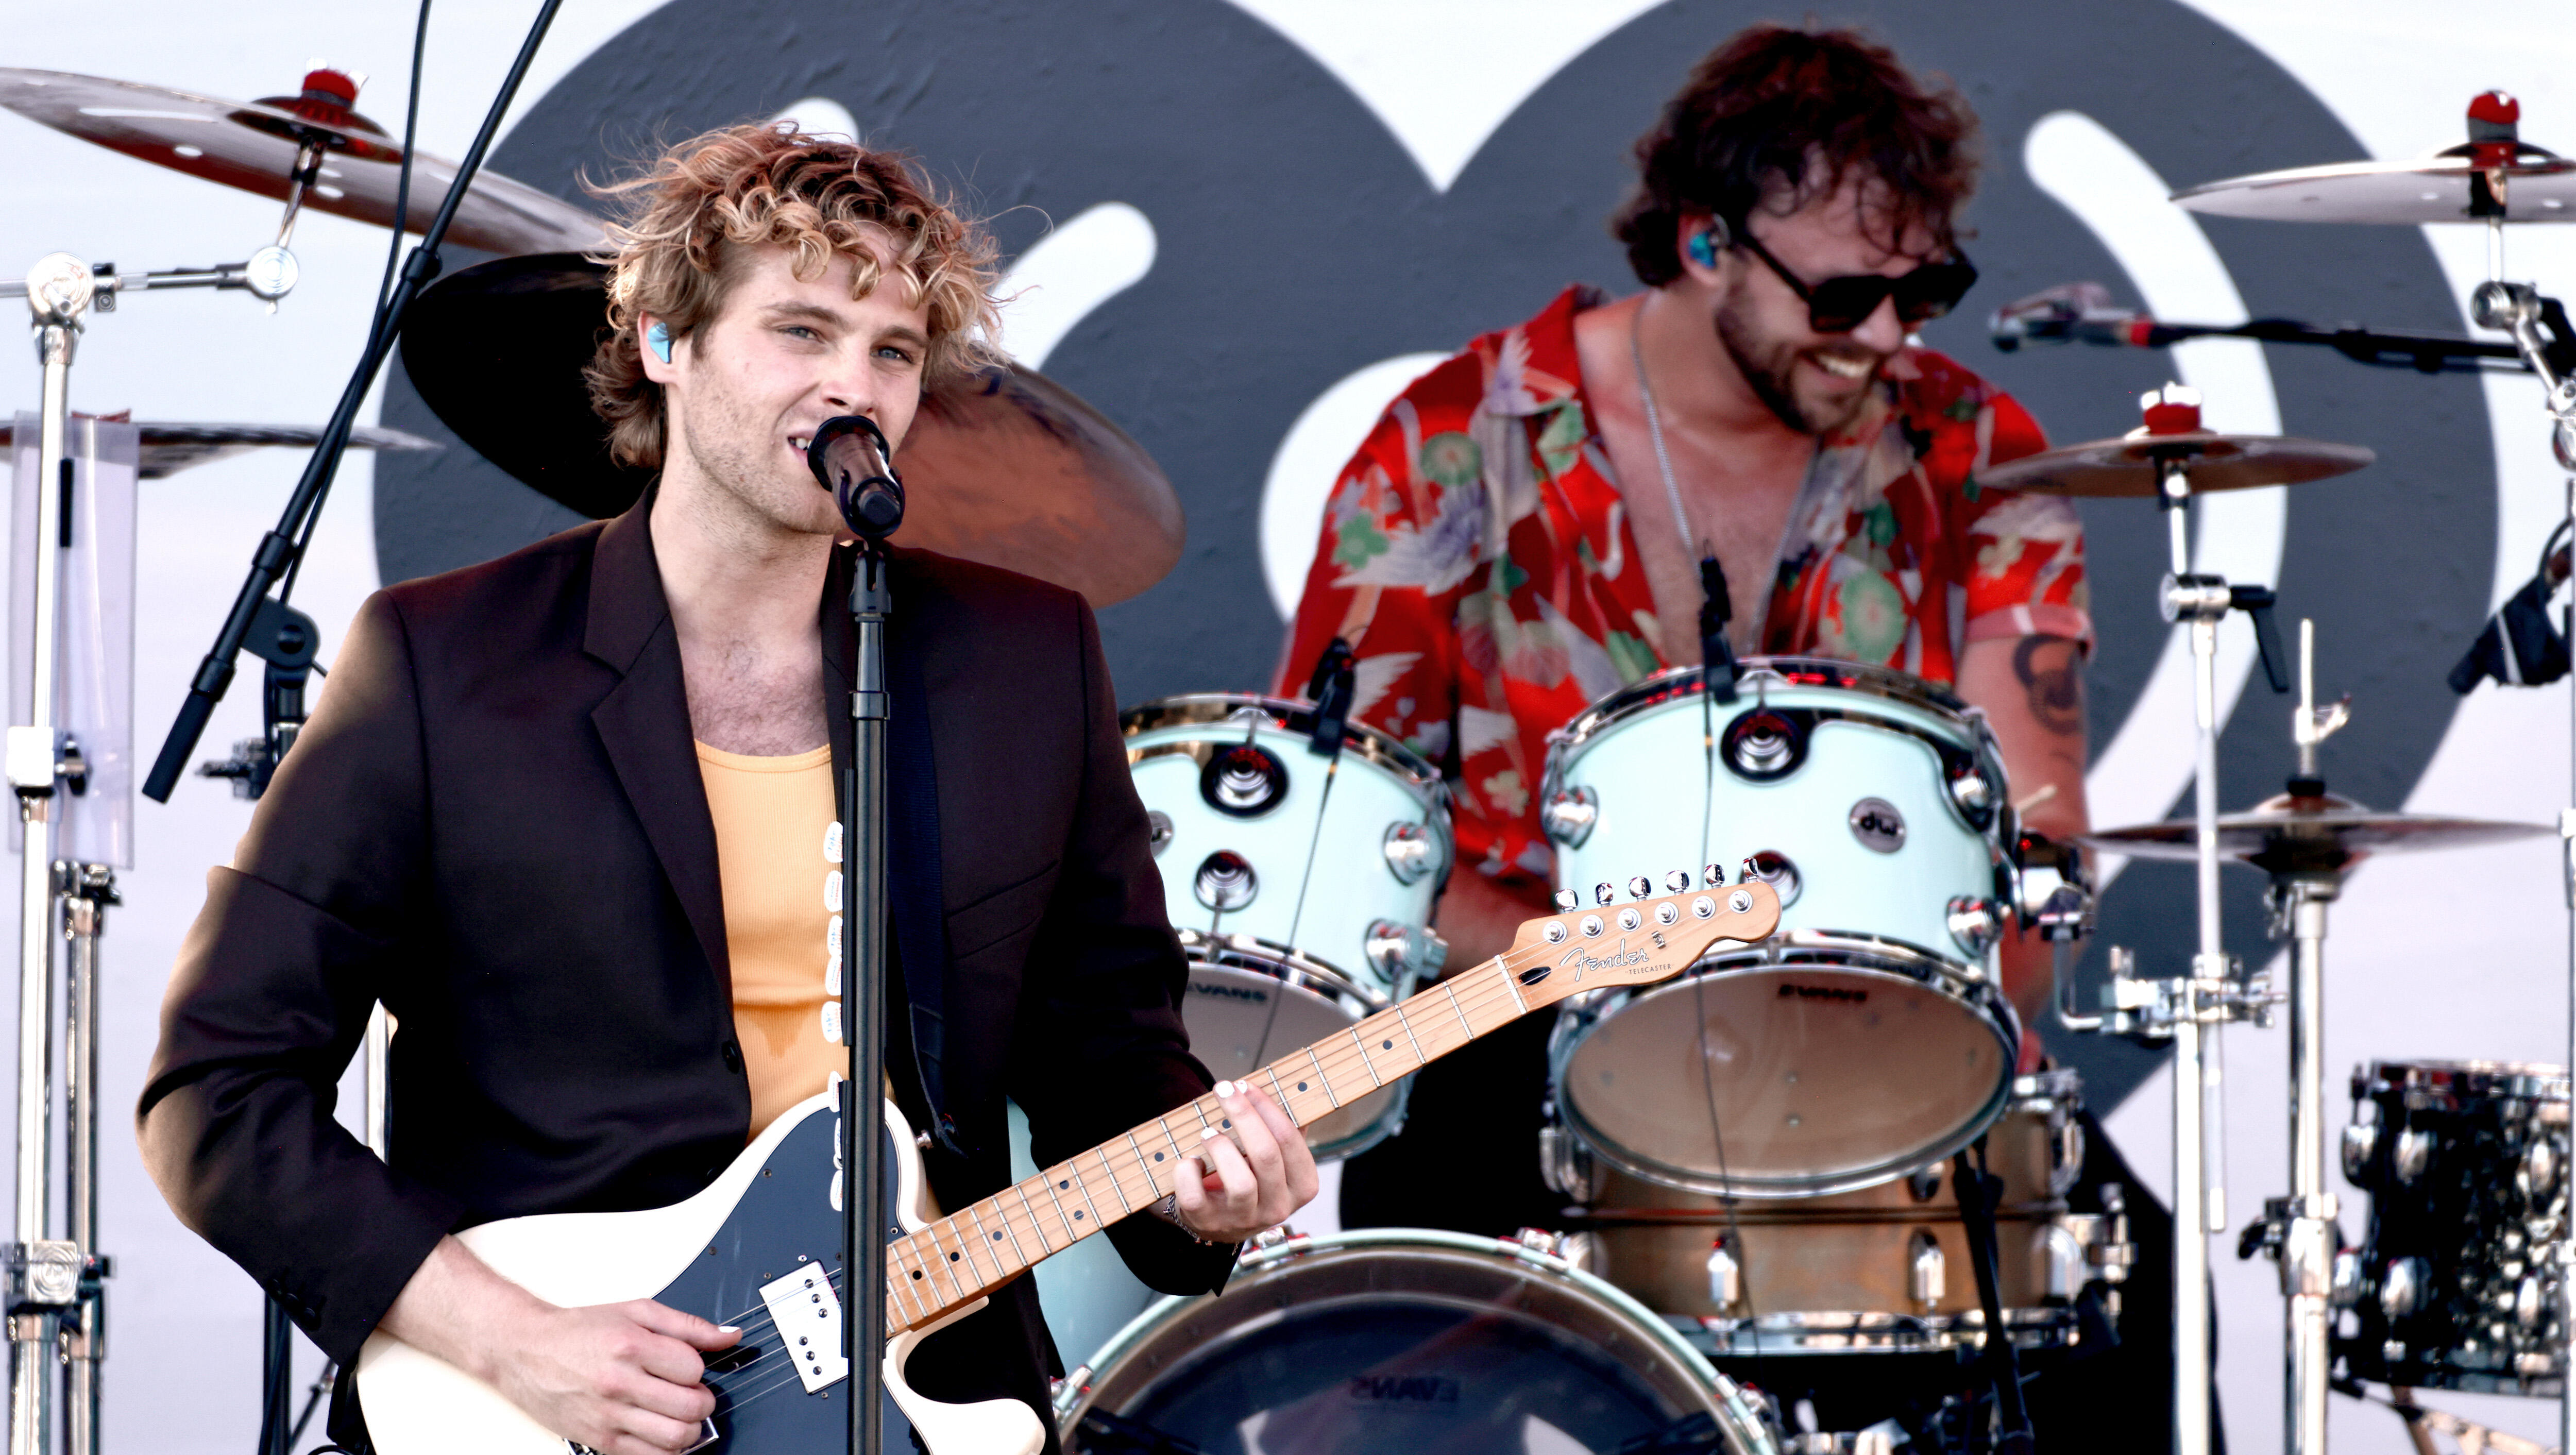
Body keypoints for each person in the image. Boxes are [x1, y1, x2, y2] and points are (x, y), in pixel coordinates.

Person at [140, 124, 1316, 1455]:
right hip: (547, 1402)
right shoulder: (444, 661)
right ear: (662, 340)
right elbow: (217, 1092)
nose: (853, 386)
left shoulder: (1021, 661)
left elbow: (1111, 1058)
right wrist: (514, 1341)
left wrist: (1203, 1191)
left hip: (923, 1394)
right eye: (801, 332)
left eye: (891, 351)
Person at [1278, 24, 2189, 1453]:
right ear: (1706, 248)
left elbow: (2035, 837)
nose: (1891, 335)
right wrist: (1604, 971)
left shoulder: (1973, 446)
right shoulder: (1455, 440)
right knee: (1400, 1360)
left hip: (1874, 1022)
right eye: (1845, 293)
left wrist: (1950, 1021)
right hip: (1537, 1020)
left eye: (1925, 289)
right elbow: (1357, 831)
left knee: (2132, 1300)